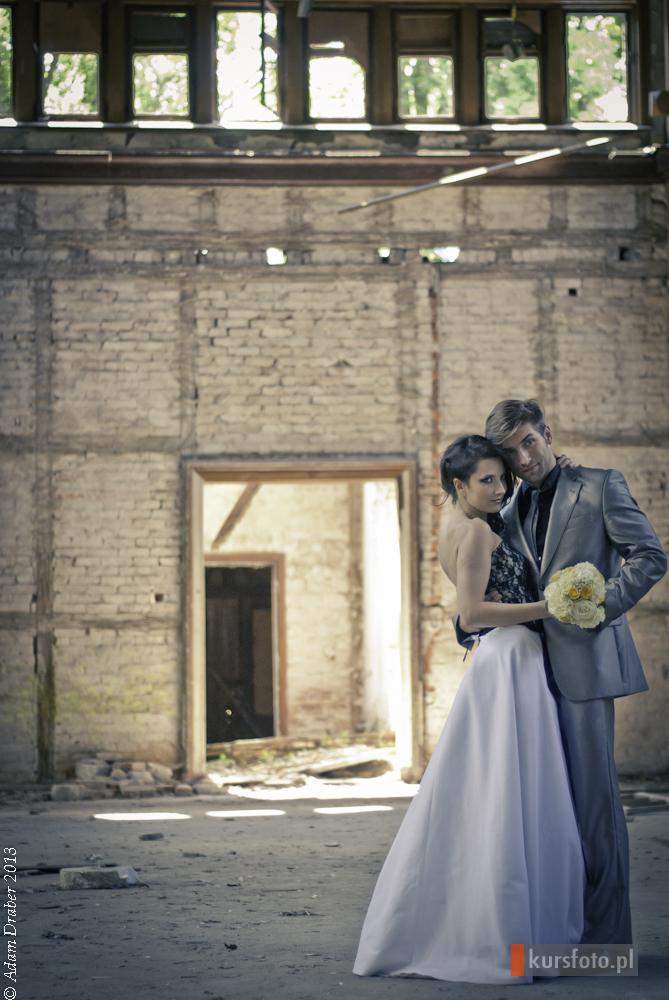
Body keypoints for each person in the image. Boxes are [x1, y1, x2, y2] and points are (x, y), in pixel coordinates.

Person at [352, 435, 585, 985]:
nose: (500, 488)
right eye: (488, 480)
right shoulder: (477, 532)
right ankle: (504, 936)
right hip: (508, 658)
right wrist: (550, 608)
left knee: (495, 788)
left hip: (502, 660)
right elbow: (474, 614)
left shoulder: (458, 523)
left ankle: (483, 925)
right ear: (459, 484)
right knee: (510, 789)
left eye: (503, 478)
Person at [480, 398, 667, 946]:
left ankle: (607, 942)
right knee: (546, 807)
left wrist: (596, 605)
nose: (524, 458)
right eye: (511, 452)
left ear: (547, 433)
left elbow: (649, 556)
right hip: (528, 674)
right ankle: (560, 931)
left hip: (585, 668)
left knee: (594, 808)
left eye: (529, 442)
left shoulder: (601, 485)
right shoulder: (506, 511)